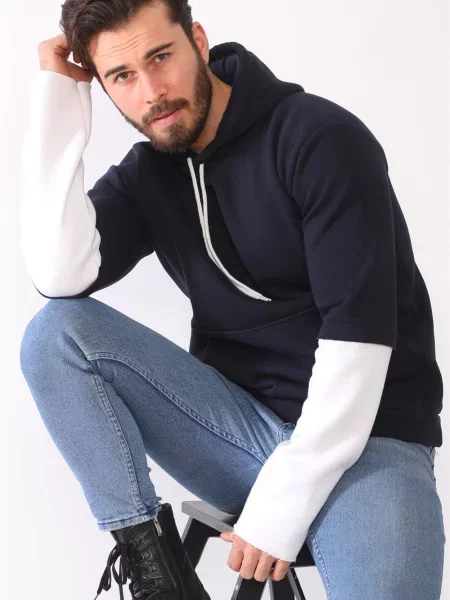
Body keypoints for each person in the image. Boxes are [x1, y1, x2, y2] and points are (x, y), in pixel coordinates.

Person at [19, 1, 445, 598]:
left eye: (160, 57)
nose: (151, 93)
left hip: (370, 441)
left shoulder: (319, 138)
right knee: (57, 334)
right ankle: (159, 579)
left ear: (197, 40)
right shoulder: (149, 174)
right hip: (238, 437)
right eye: (122, 76)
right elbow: (59, 275)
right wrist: (58, 101)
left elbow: (360, 343)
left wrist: (284, 502)